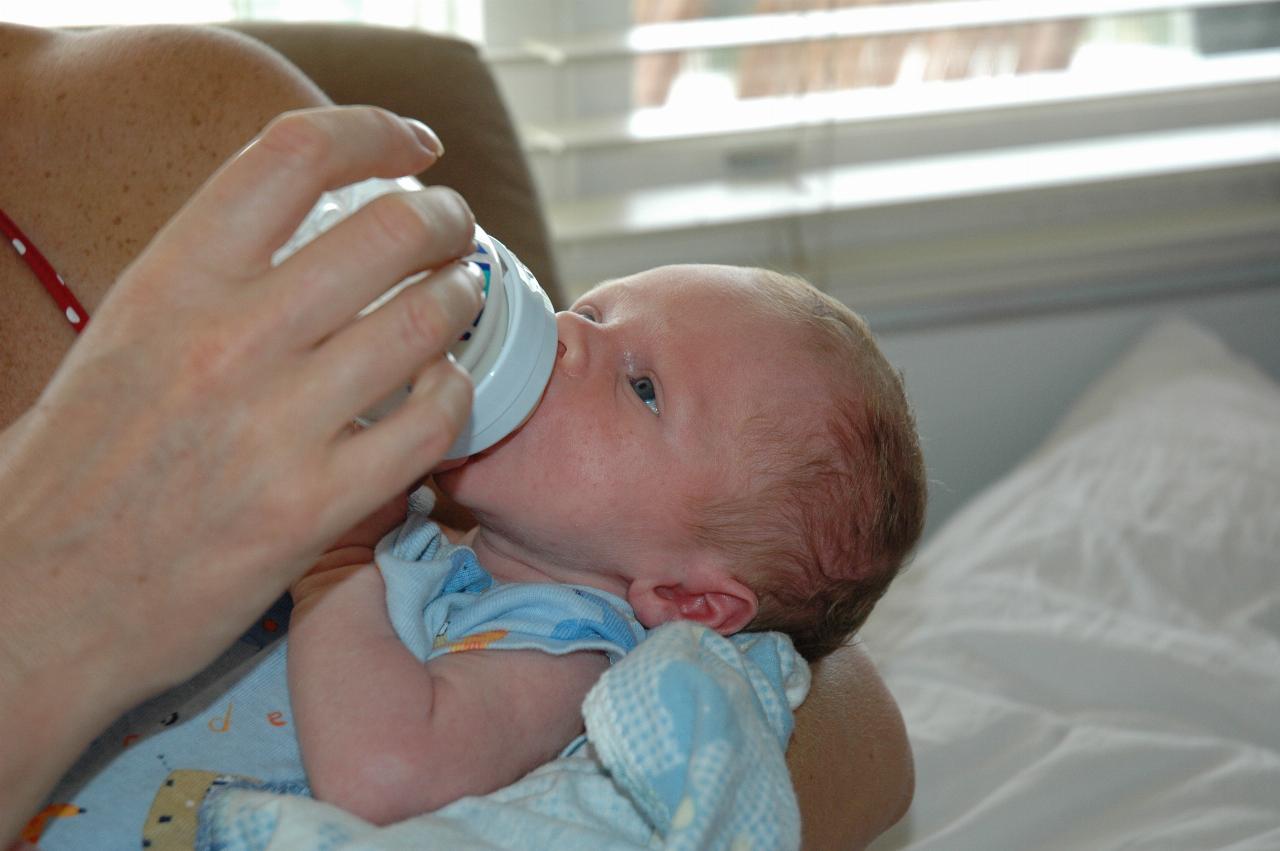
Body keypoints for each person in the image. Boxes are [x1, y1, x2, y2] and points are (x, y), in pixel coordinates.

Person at [0, 22, 914, 850]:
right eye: (590, 308)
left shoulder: (563, 649)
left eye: (641, 387)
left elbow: (386, 775)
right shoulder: (453, 554)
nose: (564, 338)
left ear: (689, 600)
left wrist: (336, 566)